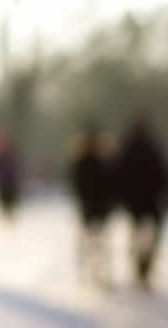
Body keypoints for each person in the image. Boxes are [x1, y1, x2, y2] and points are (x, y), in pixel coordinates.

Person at [115, 115, 168, 290]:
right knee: (148, 232)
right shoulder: (147, 148)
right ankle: (142, 263)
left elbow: (164, 174)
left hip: (142, 201)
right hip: (145, 201)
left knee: (142, 232)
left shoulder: (134, 149)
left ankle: (142, 262)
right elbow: (165, 174)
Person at [66, 122, 116, 286]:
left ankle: (92, 270)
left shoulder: (82, 161)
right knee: (97, 241)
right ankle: (94, 270)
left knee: (92, 241)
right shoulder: (102, 161)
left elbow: (75, 184)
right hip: (95, 207)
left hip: (91, 207)